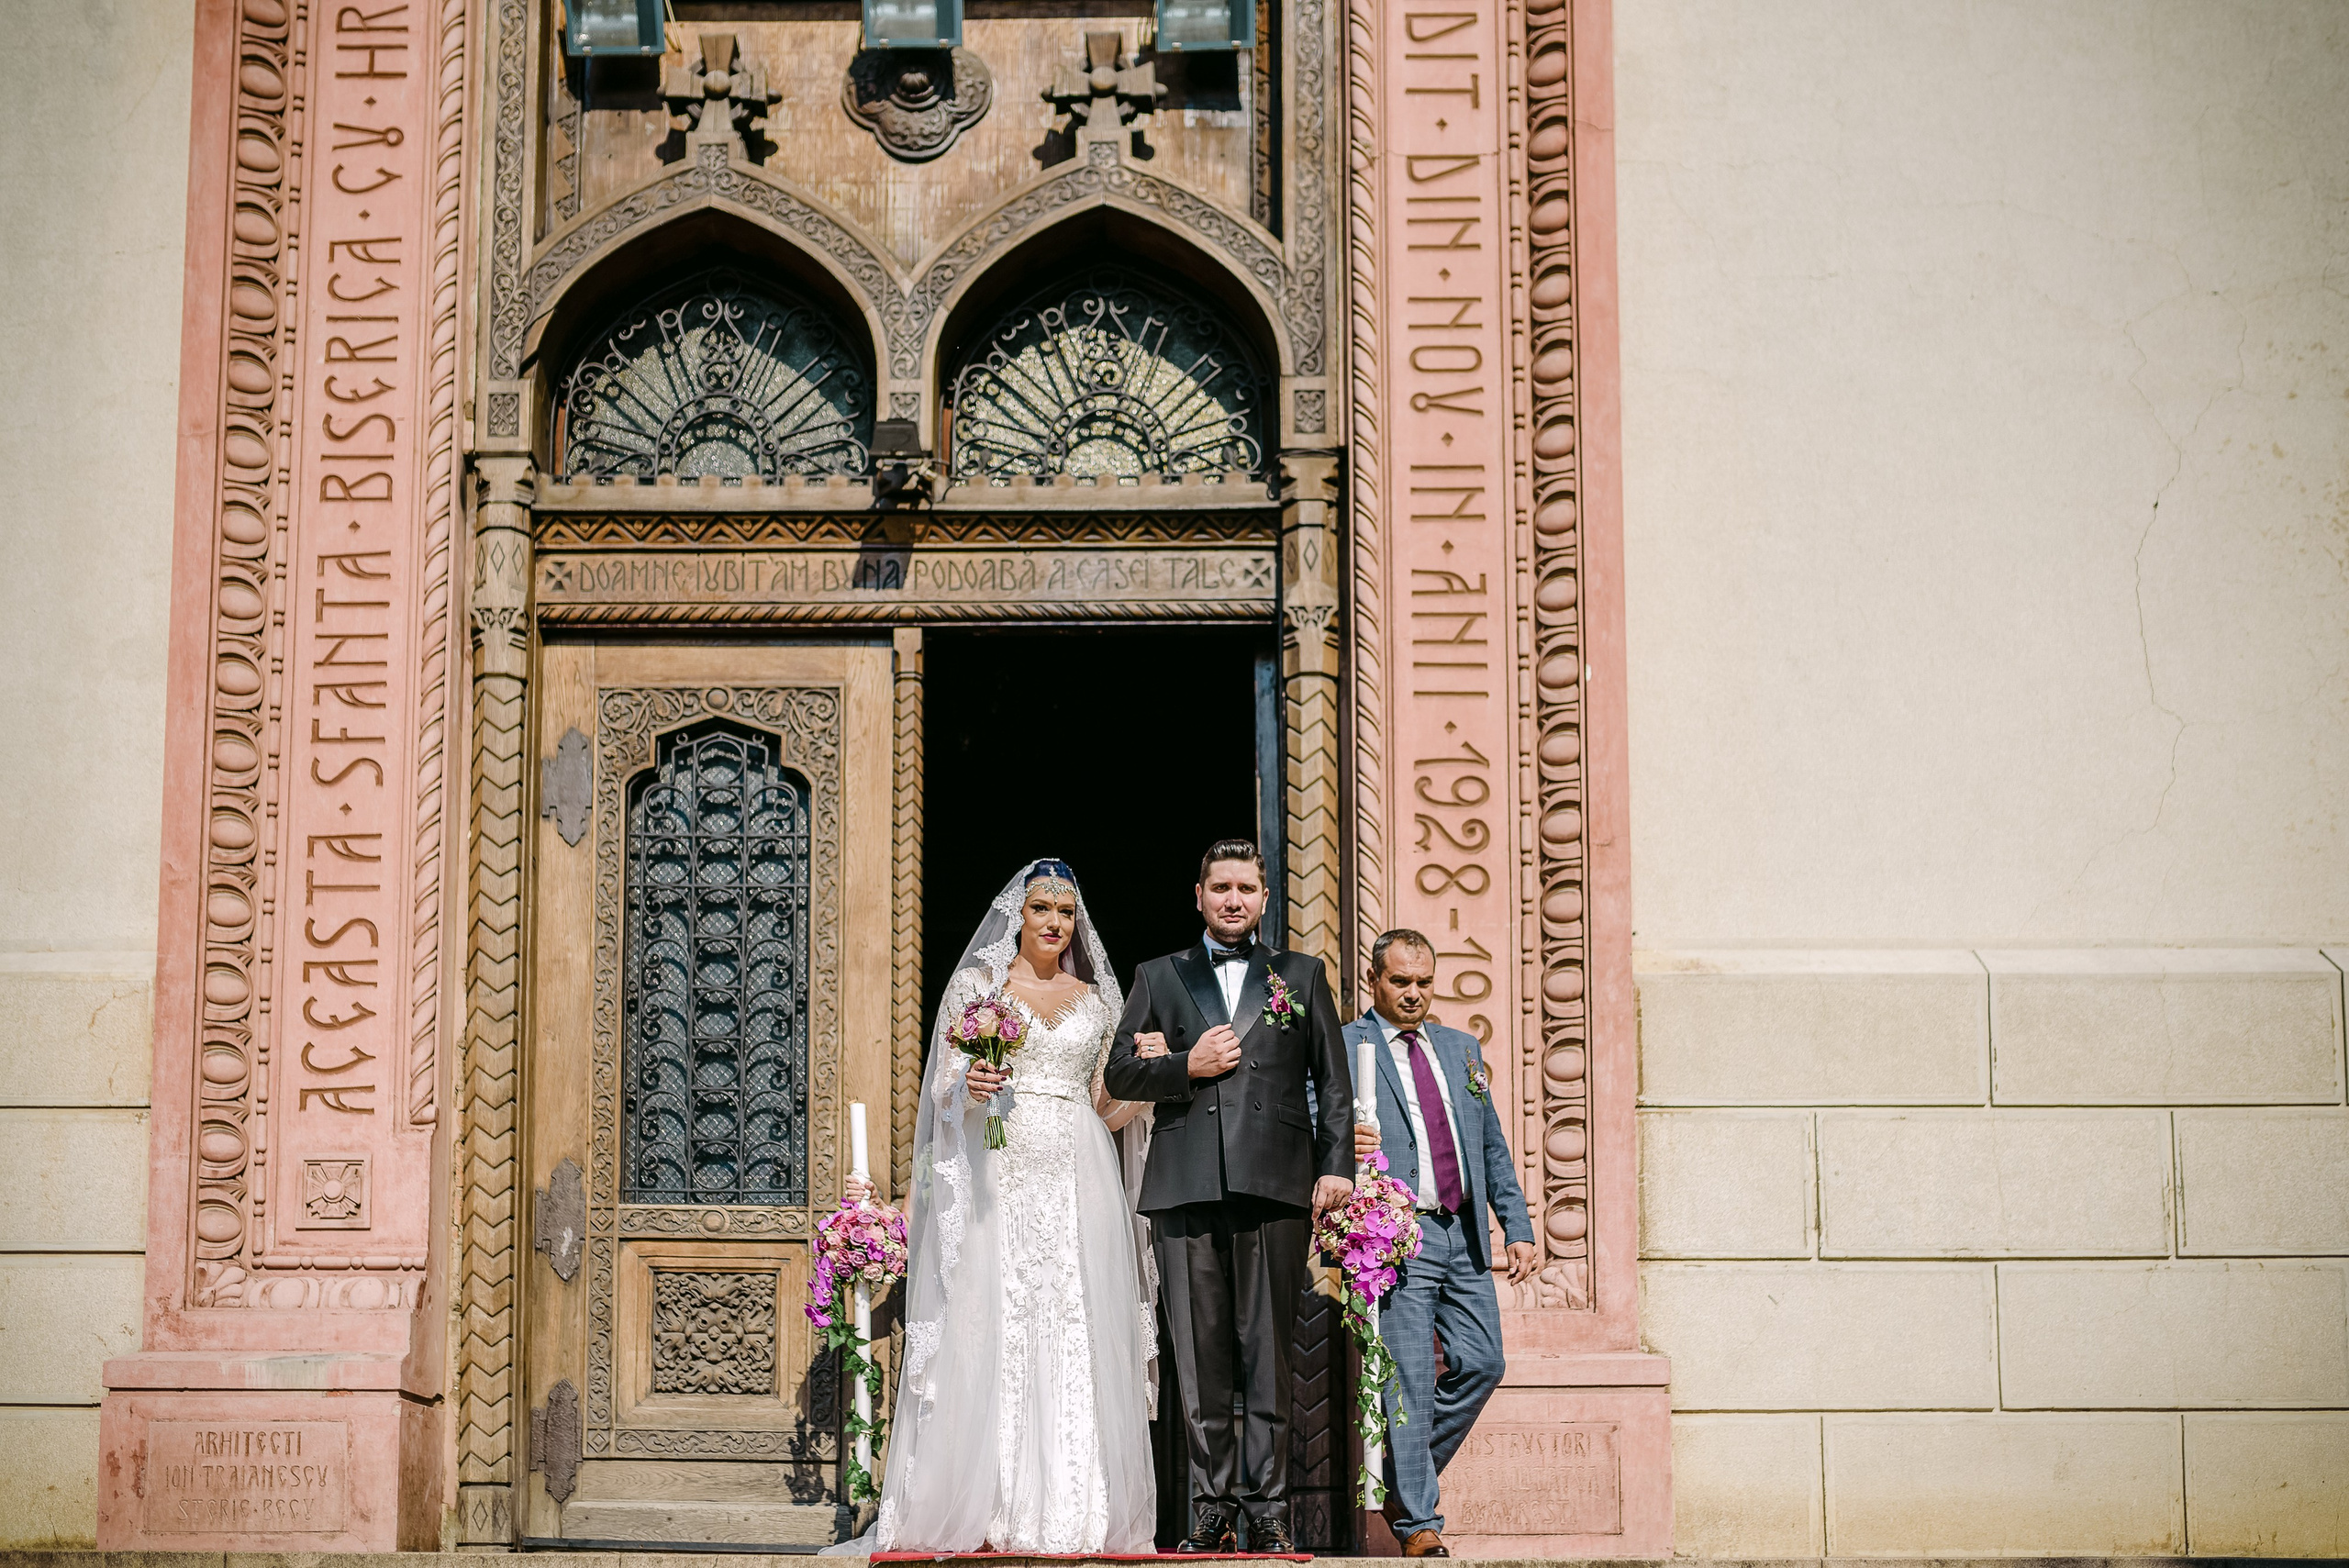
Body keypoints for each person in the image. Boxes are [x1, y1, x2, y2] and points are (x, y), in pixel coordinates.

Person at [840, 859, 1160, 1553]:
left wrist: (1149, 1081)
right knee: (997, 1314)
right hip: (999, 1171)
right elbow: (943, 1091)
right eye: (1042, 908)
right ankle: (991, 1502)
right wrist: (971, 1088)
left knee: (1072, 1314)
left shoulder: (1096, 1000)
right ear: (1018, 915)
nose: (1055, 922)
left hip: (1078, 1171)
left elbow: (1104, 1105)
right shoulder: (978, 988)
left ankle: (1071, 1504)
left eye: (1066, 912)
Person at [1104, 840, 1358, 1553]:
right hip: (1186, 1184)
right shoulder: (1159, 974)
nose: (1234, 899)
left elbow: (1333, 1081)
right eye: (1221, 887)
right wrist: (1188, 1063)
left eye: (1247, 887)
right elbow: (1119, 1073)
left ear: (1265, 897)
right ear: (1199, 895)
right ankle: (1211, 1508)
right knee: (1200, 1355)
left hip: (1275, 1184)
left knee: (1268, 1356)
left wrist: (1337, 1166)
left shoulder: (1301, 974)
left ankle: (1268, 1509)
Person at [1343, 929, 1537, 1558]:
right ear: (1374, 979)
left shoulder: (1460, 1047)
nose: (1414, 993)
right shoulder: (1348, 1045)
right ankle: (1420, 1523)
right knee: (1408, 1376)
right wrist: (1342, 1145)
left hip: (1465, 1231)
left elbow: (1490, 1143)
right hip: (1400, 1232)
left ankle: (1403, 1482)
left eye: (1424, 982)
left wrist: (1517, 1226)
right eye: (1401, 981)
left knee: (1484, 1362)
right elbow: (1316, 1124)